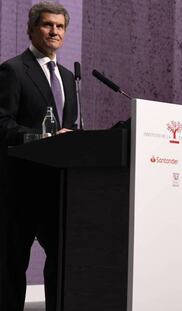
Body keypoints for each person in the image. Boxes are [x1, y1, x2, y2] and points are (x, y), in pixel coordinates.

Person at [0, 1, 77, 310]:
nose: (54, 31)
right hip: (20, 186)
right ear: (31, 29)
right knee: (11, 266)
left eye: (59, 27)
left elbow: (68, 126)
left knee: (63, 262)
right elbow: (2, 122)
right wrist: (42, 139)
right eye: (47, 25)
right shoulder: (13, 70)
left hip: (58, 188)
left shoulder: (69, 78)